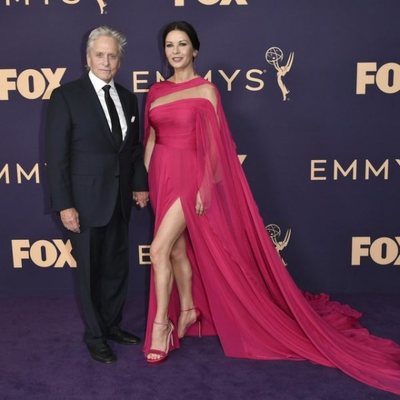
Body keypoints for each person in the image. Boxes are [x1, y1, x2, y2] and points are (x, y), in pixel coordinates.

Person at [142, 21, 400, 393]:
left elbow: (215, 149)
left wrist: (203, 187)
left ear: (195, 50)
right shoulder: (155, 91)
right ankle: (187, 310)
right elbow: (150, 139)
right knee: (178, 249)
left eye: (183, 44)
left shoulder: (206, 91)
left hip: (187, 178)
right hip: (160, 176)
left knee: (159, 249)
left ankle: (160, 329)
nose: (176, 51)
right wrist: (147, 181)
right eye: (170, 45)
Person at [45, 26, 148, 364]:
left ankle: (113, 325)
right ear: (88, 58)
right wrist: (64, 204)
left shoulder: (128, 97)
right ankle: (95, 336)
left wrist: (139, 184)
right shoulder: (66, 96)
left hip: (119, 201)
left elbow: (132, 151)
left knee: (116, 269)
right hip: (84, 204)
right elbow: (57, 156)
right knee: (89, 272)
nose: (106, 61)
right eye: (100, 55)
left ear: (119, 61)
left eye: (112, 55)